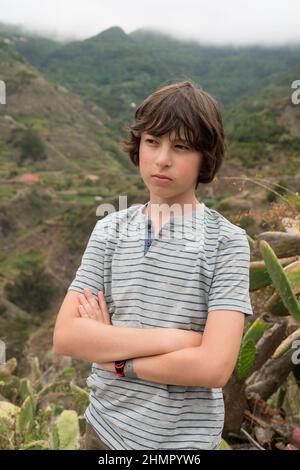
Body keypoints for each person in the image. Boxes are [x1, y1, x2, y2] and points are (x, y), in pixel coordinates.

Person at [53, 79, 253, 451]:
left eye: (180, 147)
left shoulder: (226, 242)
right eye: (152, 142)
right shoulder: (110, 229)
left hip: (184, 442)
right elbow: (67, 335)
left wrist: (117, 359)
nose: (162, 159)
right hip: (104, 431)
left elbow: (214, 368)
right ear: (138, 146)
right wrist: (179, 340)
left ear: (204, 158)